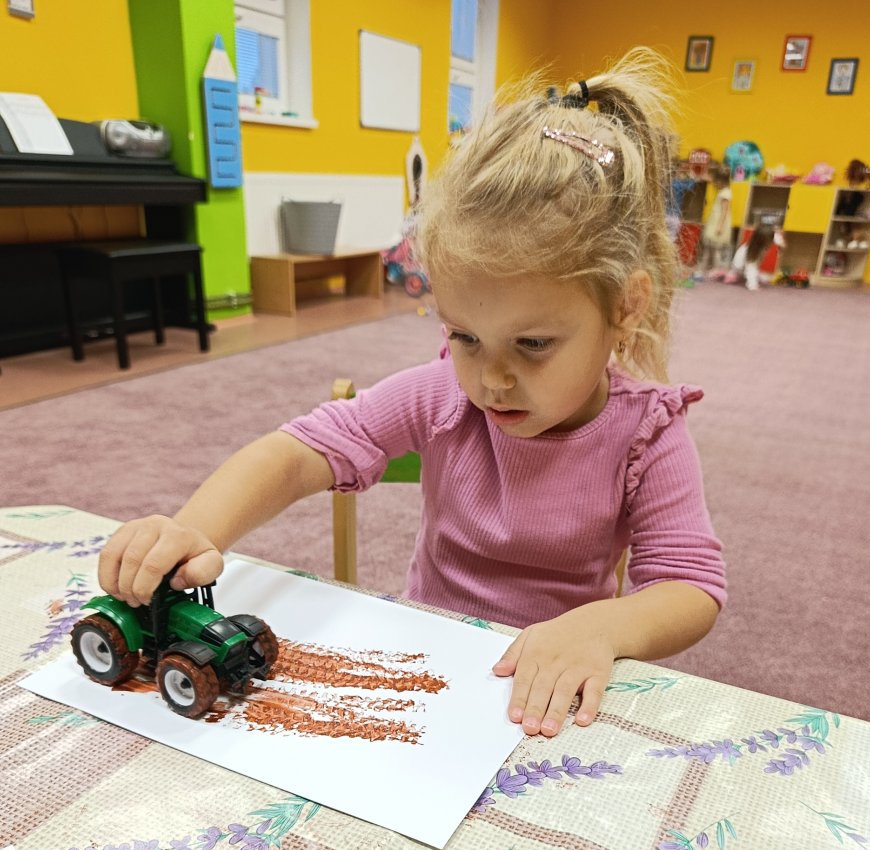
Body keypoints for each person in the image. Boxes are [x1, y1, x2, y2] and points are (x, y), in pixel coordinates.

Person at [99, 48, 725, 741]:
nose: (491, 379)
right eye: (465, 336)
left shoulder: (648, 431)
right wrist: (194, 529)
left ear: (626, 307)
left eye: (533, 344)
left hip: (549, 687)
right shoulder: (441, 394)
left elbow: (689, 587)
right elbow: (296, 453)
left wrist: (604, 627)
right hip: (426, 660)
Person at [697, 164, 733, 275]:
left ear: (722, 181)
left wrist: (720, 226)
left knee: (716, 248)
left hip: (719, 222)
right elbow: (710, 179)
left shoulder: (726, 193)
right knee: (709, 246)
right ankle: (707, 267)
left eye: (716, 181)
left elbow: (724, 212)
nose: (714, 183)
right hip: (714, 220)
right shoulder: (722, 190)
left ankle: (716, 269)